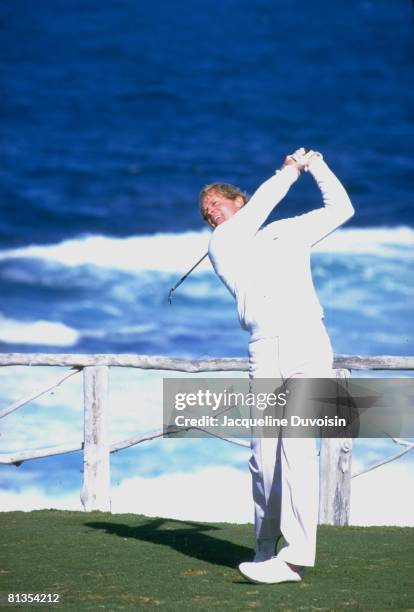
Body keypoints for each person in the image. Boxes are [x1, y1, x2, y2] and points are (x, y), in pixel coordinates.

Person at [199, 149, 355, 584]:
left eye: (215, 202)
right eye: (205, 211)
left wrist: (317, 165)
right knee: (265, 457)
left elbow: (342, 208)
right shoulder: (223, 243)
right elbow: (263, 205)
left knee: (299, 452)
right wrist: (289, 171)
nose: (209, 212)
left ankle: (295, 557)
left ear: (238, 201)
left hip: (310, 341)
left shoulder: (289, 230)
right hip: (265, 349)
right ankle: (265, 547)